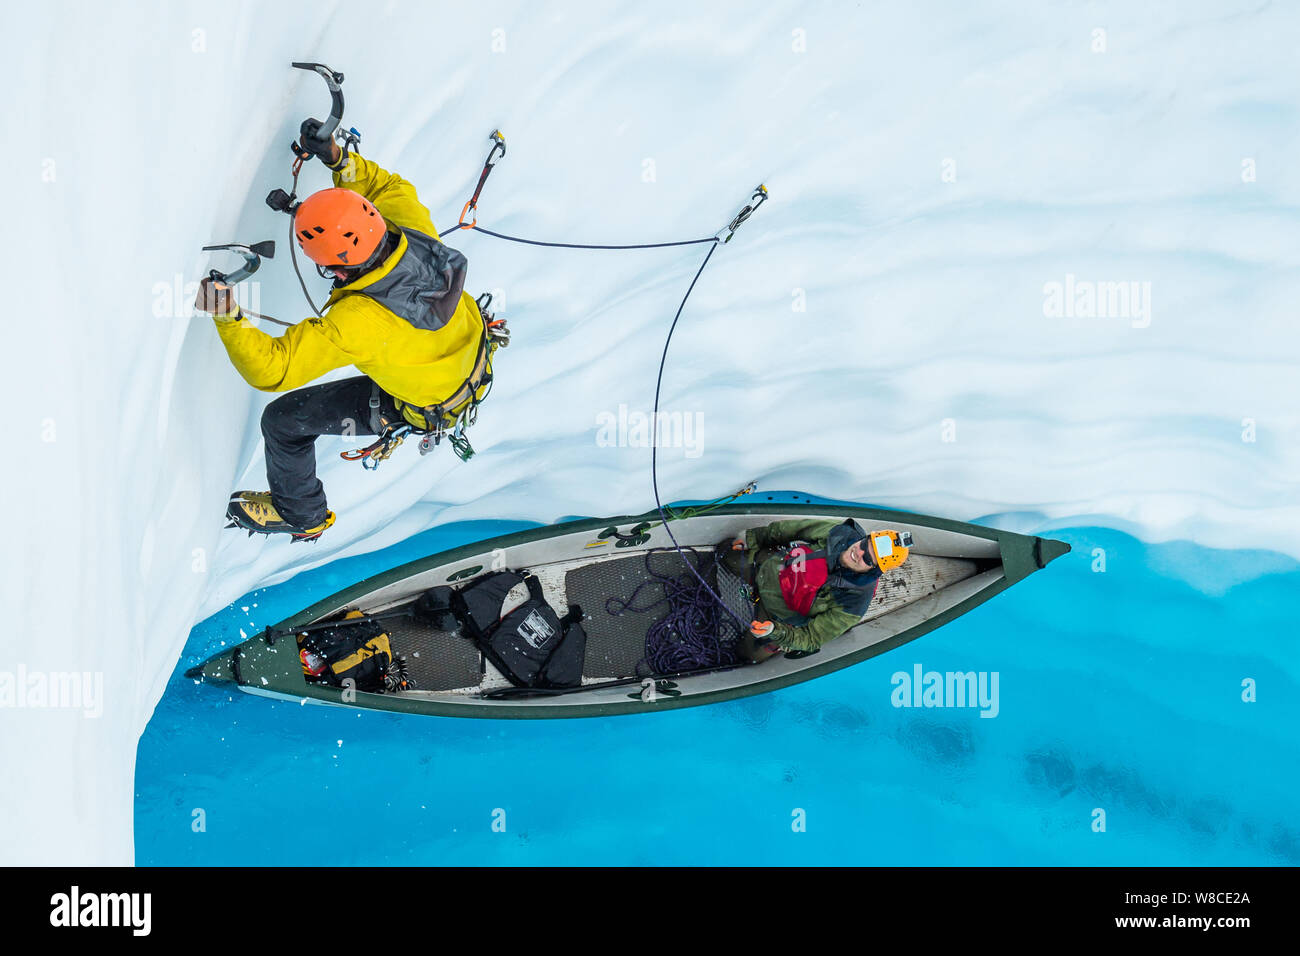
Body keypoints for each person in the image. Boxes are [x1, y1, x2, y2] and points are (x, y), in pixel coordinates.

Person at [195, 121, 499, 541]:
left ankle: (303, 515)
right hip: (467, 361)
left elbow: (272, 371)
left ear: (336, 267)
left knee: (282, 422)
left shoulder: (359, 322)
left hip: (423, 402)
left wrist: (225, 312)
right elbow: (383, 185)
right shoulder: (412, 229)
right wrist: (336, 157)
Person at [720, 519, 912, 661]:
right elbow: (793, 529)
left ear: (874, 570)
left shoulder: (854, 603)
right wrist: (753, 537)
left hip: (776, 618)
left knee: (747, 654)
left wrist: (774, 631)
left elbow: (812, 638)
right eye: (864, 545)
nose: (858, 553)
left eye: (868, 560)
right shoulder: (839, 534)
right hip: (768, 568)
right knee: (726, 553)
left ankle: (772, 645)